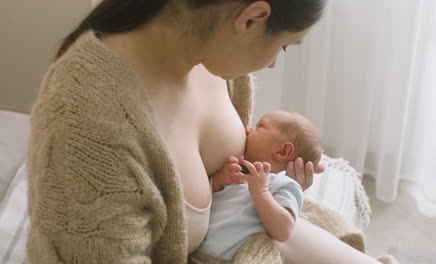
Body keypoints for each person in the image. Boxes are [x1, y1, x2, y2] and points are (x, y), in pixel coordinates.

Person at [26, 0, 399, 263]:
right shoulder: (90, 124)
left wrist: (278, 181)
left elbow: (226, 172)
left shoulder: (209, 57)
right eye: (283, 46)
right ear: (251, 18)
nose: (271, 63)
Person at [193, 110, 321, 262]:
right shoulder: (237, 169)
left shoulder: (283, 185)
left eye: (260, 126)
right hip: (195, 254)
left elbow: (283, 231)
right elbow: (207, 201)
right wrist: (218, 181)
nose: (248, 129)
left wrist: (261, 192)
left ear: (282, 151)